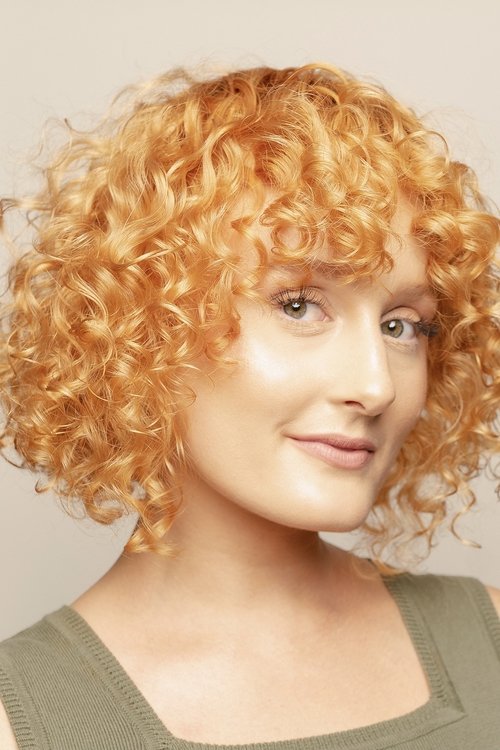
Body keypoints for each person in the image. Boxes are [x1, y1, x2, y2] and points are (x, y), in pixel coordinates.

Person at [0, 62, 499, 749]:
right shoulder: (25, 721)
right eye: (298, 305)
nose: (377, 385)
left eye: (402, 325)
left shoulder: (490, 649)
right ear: (148, 326)